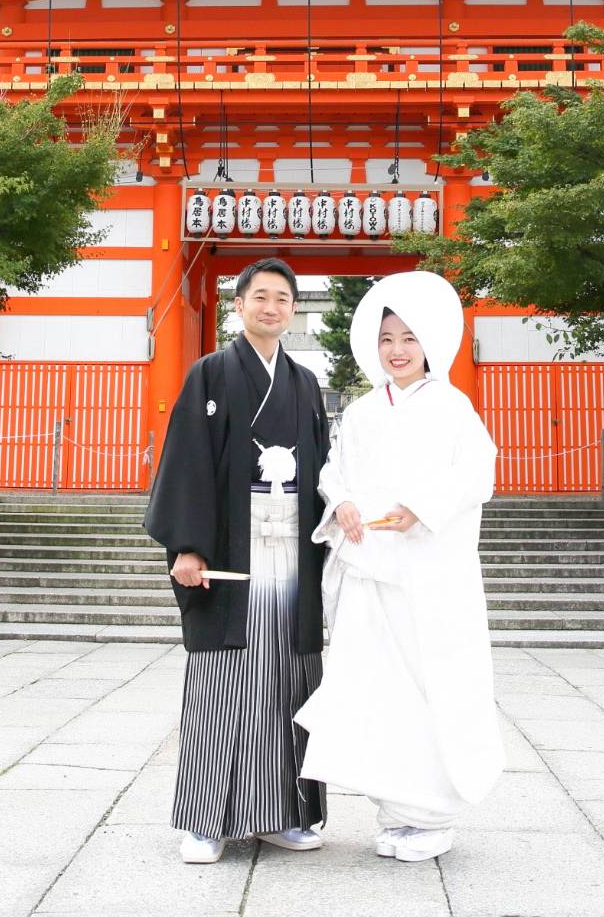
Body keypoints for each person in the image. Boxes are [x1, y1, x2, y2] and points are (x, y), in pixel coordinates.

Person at [295, 269, 503, 863]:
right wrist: (345, 504)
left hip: (429, 572)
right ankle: (396, 810)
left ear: (428, 343)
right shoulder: (361, 411)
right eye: (388, 338)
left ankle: (432, 813)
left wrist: (422, 507)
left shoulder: (452, 405)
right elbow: (335, 469)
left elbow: (477, 473)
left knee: (429, 681)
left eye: (409, 338)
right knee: (375, 686)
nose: (398, 350)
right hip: (372, 571)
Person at [144, 257, 332, 865]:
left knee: (289, 680)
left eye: (283, 298)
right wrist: (188, 546)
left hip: (292, 557)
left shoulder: (304, 384)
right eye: (260, 296)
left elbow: (326, 472)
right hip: (230, 553)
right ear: (239, 304)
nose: (271, 307)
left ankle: (283, 812)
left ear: (294, 309)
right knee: (225, 684)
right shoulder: (210, 374)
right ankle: (206, 820)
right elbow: (188, 462)